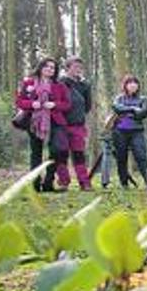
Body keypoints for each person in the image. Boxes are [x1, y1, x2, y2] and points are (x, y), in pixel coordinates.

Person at [15, 57, 71, 192]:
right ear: (40, 67)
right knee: (36, 153)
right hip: (34, 121)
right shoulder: (29, 82)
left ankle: (48, 183)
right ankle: (35, 184)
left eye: (53, 67)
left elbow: (67, 104)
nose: (50, 69)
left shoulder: (59, 85)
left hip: (55, 121)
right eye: (47, 66)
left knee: (57, 151)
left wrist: (55, 104)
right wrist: (31, 104)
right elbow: (19, 101)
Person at [112, 75, 147, 190]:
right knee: (121, 157)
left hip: (136, 131)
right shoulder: (119, 98)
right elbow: (117, 108)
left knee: (141, 156)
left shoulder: (143, 99)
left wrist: (127, 111)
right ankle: (124, 183)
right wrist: (132, 109)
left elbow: (143, 112)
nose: (132, 85)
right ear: (125, 85)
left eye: (135, 83)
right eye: (130, 83)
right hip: (120, 131)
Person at [57, 56, 93, 191]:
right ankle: (63, 182)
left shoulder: (85, 85)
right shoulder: (60, 83)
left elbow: (88, 106)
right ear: (67, 68)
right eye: (75, 67)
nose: (78, 70)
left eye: (80, 67)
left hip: (78, 125)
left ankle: (84, 183)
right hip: (61, 126)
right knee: (61, 154)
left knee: (79, 154)